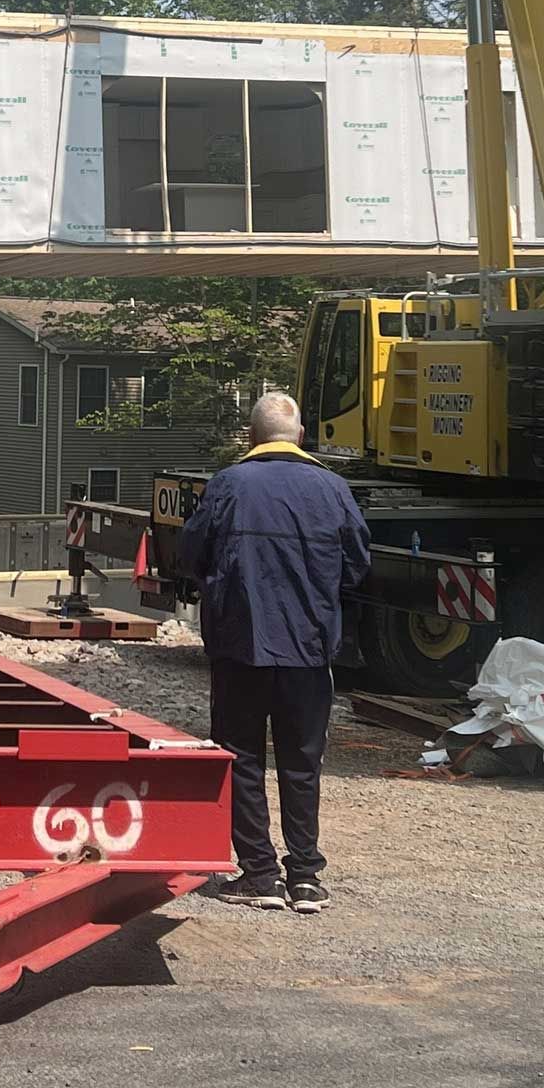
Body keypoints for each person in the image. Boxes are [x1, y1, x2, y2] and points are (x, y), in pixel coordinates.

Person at [178, 391, 370, 914]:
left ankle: (260, 874)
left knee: (241, 757)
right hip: (308, 648)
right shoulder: (332, 488)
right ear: (301, 436)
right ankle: (305, 877)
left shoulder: (228, 484)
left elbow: (191, 554)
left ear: (251, 435)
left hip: (241, 645)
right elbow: (357, 566)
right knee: (302, 763)